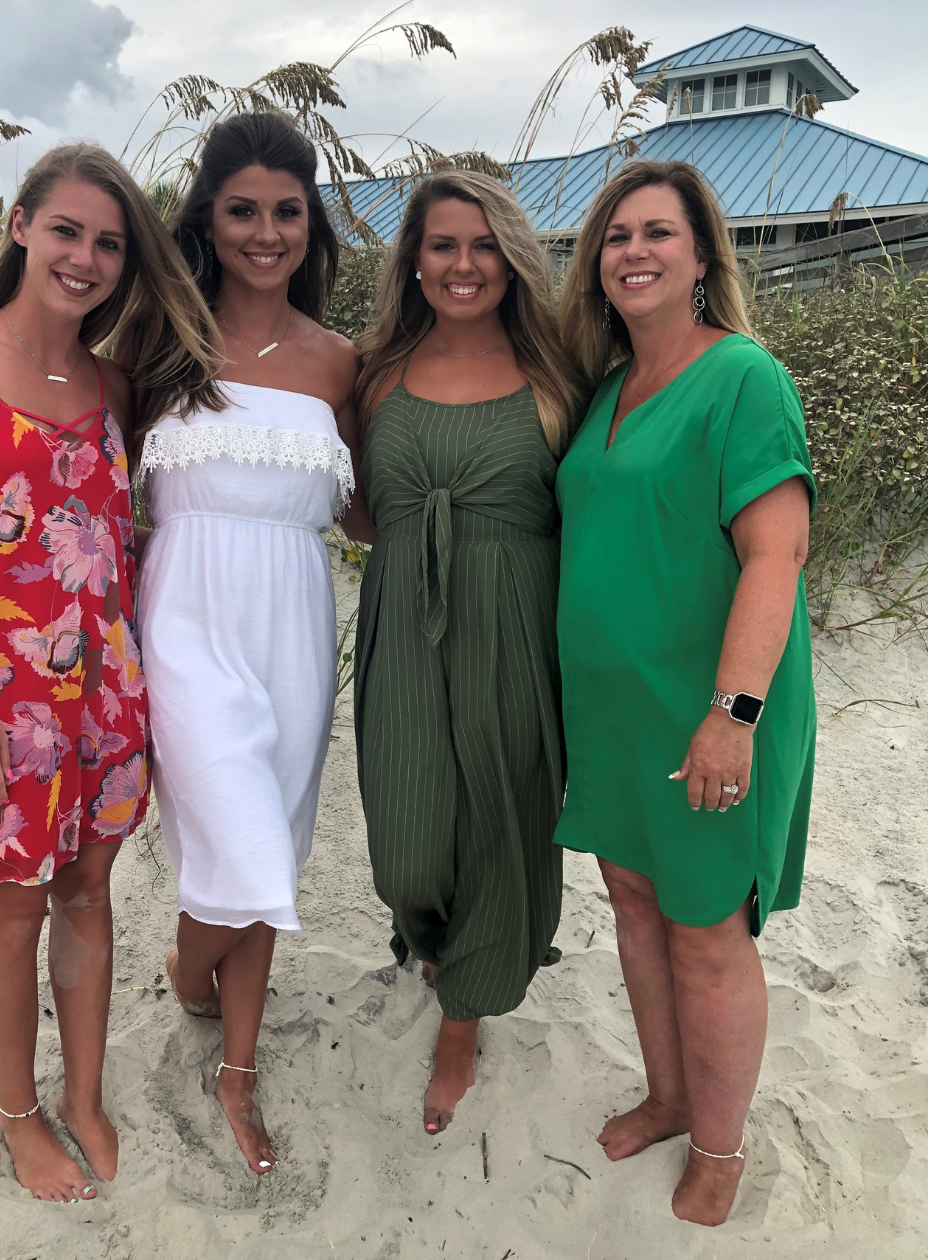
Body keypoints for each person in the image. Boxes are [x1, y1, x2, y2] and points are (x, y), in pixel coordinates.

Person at [0, 141, 222, 1204]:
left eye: (109, 244)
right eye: (66, 230)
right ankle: (19, 1114)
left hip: (107, 692)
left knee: (88, 895)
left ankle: (82, 1093)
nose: (83, 257)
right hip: (0, 700)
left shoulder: (115, 384)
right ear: (20, 224)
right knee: (13, 908)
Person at [551, 160, 815, 1227]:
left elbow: (775, 552)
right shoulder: (607, 387)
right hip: (614, 716)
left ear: (701, 255)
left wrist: (731, 714)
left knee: (706, 929)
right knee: (631, 903)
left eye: (656, 233)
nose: (633, 252)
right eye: (614, 237)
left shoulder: (741, 376)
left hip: (708, 710)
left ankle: (718, 1146)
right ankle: (666, 1095)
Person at [139, 112, 364, 1177]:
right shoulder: (156, 341)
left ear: (308, 222)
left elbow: (369, 514)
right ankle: (192, 975)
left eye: (284, 211)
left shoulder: (340, 362)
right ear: (207, 217)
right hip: (181, 615)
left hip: (293, 621)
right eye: (241, 211)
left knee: (267, 833)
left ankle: (236, 1068)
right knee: (236, 829)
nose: (263, 233)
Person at [349, 170, 588, 1135]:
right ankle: (431, 938)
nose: (464, 264)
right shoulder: (373, 372)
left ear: (515, 259)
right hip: (403, 618)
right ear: (412, 261)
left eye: (485, 245)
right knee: (407, 849)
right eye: (444, 245)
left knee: (502, 818)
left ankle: (464, 1016)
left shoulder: (560, 373)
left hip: (520, 622)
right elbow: (359, 512)